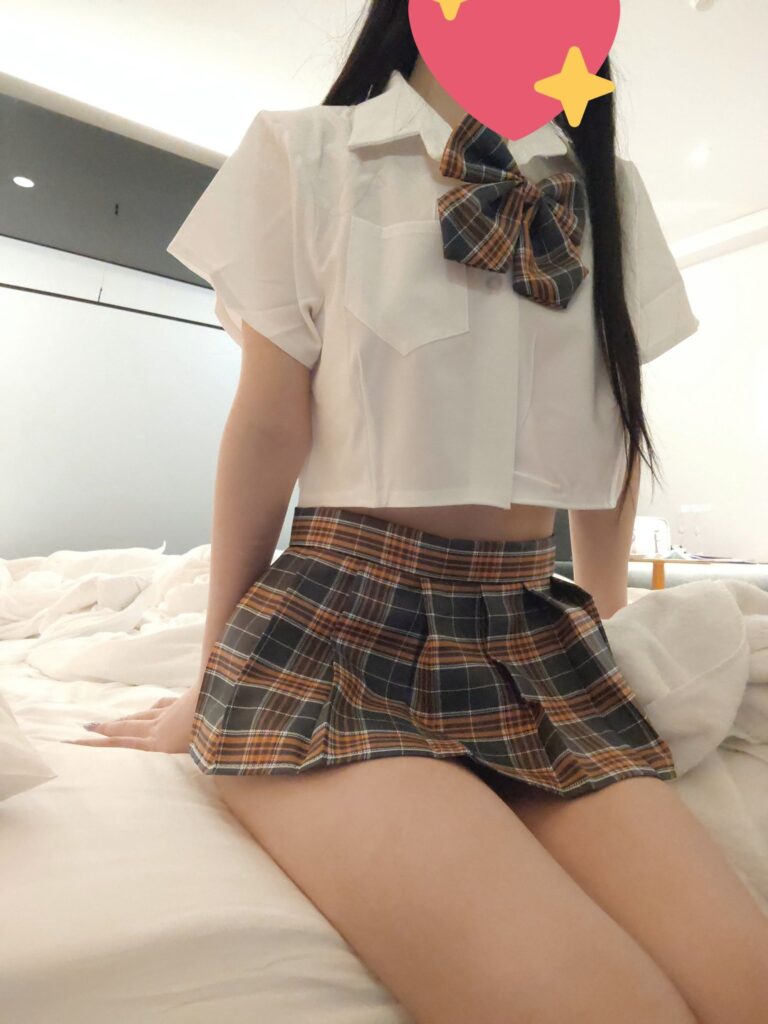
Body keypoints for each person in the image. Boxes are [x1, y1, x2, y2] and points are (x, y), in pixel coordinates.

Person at [72, 5, 768, 1022]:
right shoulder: (309, 153)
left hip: (536, 637)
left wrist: (613, 628)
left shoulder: (607, 194)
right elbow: (268, 427)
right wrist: (209, 679)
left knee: (747, 985)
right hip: (335, 633)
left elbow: (616, 426)